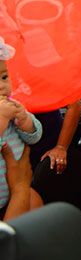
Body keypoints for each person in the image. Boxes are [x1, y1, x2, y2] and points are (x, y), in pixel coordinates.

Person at [0, 38, 43, 220]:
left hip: (18, 187)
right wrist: (2, 118)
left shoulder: (13, 105)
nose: (2, 85)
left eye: (4, 77)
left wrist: (25, 120)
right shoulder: (5, 112)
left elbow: (34, 137)